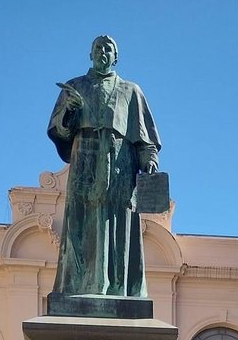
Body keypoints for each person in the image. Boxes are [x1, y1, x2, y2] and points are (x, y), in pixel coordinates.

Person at [48, 35, 161, 298]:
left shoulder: (131, 90)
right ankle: (78, 288)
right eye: (97, 48)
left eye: (108, 48)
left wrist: (150, 160)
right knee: (81, 224)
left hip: (121, 165)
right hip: (84, 162)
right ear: (90, 55)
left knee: (119, 225)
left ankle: (119, 289)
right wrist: (70, 111)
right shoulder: (73, 87)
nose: (102, 52)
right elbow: (59, 130)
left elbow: (145, 140)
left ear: (116, 57)